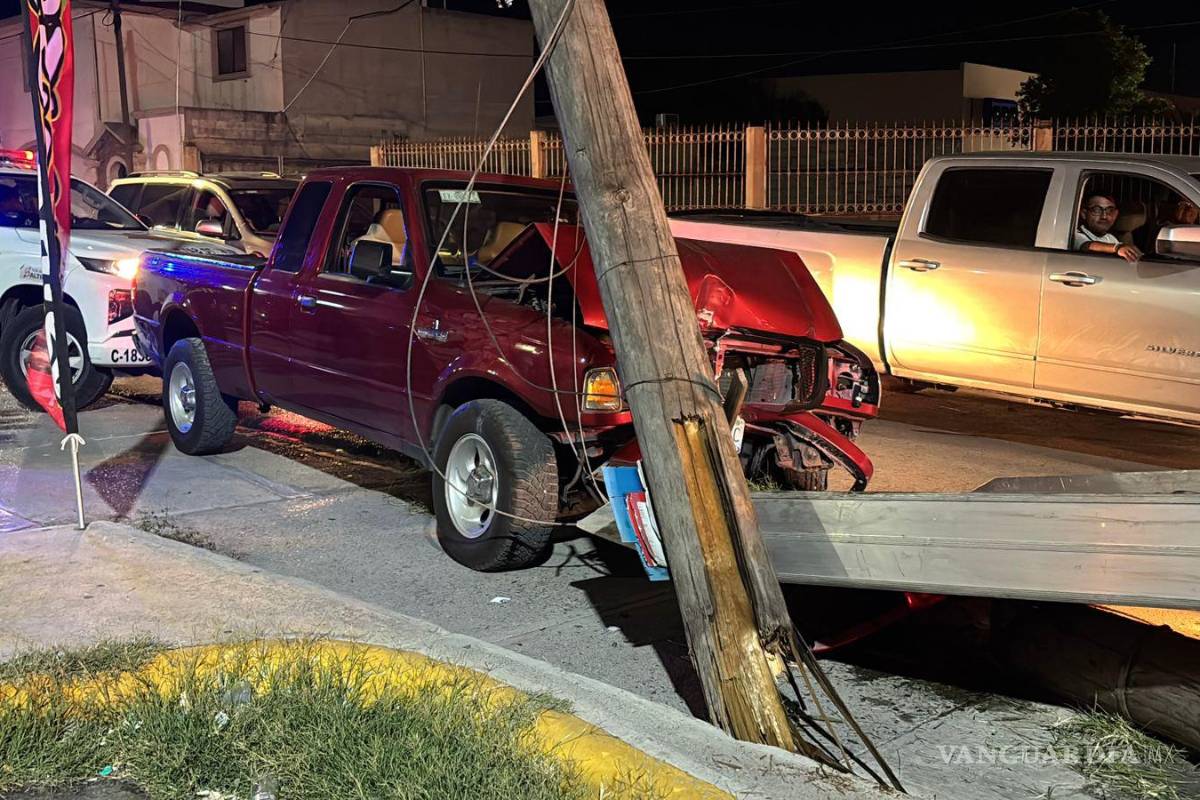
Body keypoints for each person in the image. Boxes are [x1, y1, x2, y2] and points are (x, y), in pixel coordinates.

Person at [1074, 194, 1141, 263]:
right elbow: (1086, 246)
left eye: (1110, 210)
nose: (1104, 216)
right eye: (1097, 210)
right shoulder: (1075, 234)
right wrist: (1117, 248)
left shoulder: (1110, 238)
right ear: (1084, 214)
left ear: (1115, 214)